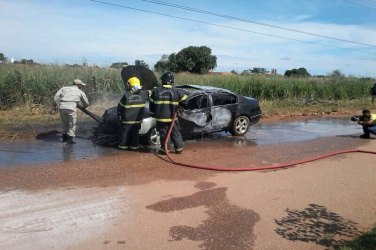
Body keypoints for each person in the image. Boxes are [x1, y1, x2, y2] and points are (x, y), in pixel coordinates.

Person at [149, 72, 187, 154]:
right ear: (172, 81)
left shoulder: (156, 91)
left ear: (163, 81)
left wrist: (152, 113)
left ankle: (165, 150)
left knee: (164, 133)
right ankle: (179, 149)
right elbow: (185, 101)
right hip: (173, 117)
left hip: (161, 118)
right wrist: (179, 106)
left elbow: (151, 105)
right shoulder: (177, 91)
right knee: (176, 132)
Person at [54, 79, 89, 144]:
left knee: (64, 123)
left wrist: (59, 104)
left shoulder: (64, 88)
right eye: (81, 85)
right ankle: (70, 140)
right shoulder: (80, 92)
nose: (81, 86)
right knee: (72, 124)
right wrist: (83, 107)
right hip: (71, 108)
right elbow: (86, 103)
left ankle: (64, 138)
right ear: (78, 85)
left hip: (62, 107)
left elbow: (56, 97)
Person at [117, 77, 148, 150]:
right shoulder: (144, 94)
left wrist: (119, 115)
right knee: (135, 134)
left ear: (130, 85)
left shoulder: (127, 95)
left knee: (125, 134)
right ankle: (134, 147)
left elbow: (120, 107)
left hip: (127, 119)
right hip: (138, 119)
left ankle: (123, 147)